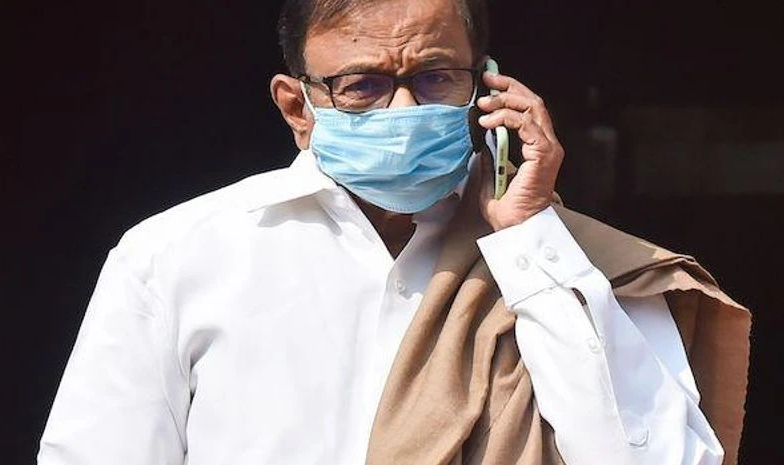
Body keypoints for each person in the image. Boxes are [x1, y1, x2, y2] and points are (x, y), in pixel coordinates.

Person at [37, 0, 750, 464]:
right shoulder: (180, 256)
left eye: (437, 78)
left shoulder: (577, 263)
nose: (404, 107)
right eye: (364, 85)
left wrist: (530, 241)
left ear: (489, 86)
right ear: (299, 107)